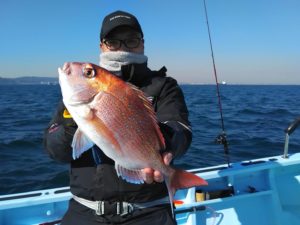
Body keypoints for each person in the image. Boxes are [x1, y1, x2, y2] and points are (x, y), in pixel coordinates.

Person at [44, 10, 192, 225]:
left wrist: (165, 148)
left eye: (131, 40)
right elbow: (55, 150)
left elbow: (179, 128)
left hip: (149, 211)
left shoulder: (163, 86)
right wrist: (75, 120)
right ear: (102, 46)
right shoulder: (76, 97)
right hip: (84, 211)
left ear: (142, 43)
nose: (122, 47)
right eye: (113, 42)